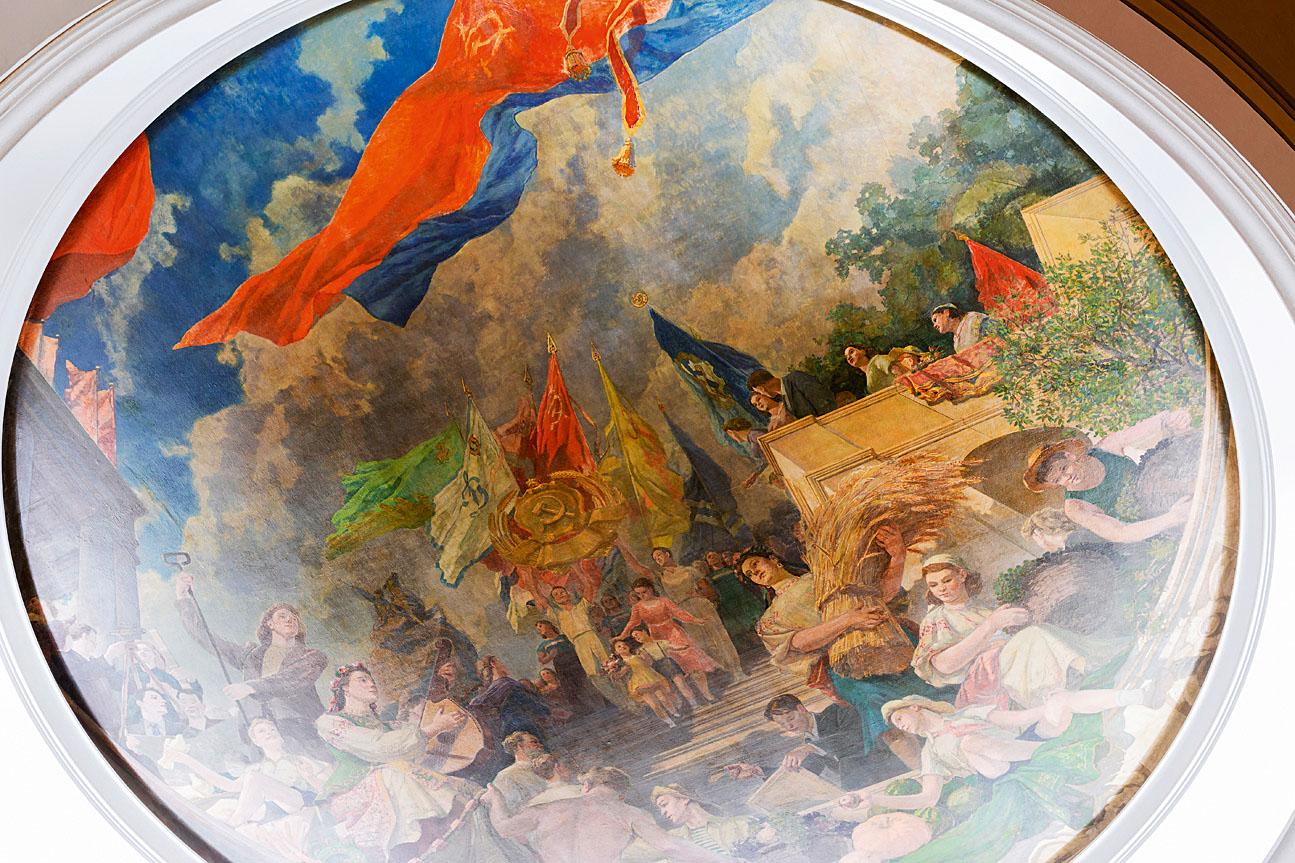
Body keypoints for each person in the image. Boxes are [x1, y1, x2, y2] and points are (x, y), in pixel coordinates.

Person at [740, 533, 955, 769]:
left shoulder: (826, 575)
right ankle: (926, 772)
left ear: (773, 559)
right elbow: (799, 643)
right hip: (844, 665)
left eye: (755, 564)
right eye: (750, 574)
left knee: (931, 690)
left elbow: (880, 594)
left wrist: (897, 555)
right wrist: (848, 620)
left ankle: (960, 751)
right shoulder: (770, 620)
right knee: (878, 711)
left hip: (887, 641)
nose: (755, 572)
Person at [315, 662, 525, 863]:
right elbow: (378, 748)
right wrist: (434, 728)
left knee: (416, 777)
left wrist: (440, 723)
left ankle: (449, 834)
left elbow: (415, 744)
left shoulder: (390, 726)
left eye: (371, 680)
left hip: (398, 780)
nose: (371, 684)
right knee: (394, 773)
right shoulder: (331, 722)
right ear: (345, 689)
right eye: (362, 680)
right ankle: (427, 843)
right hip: (355, 791)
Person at [174, 574, 328, 756]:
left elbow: (291, 679)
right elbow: (207, 639)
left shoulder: (312, 656)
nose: (290, 620)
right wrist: (183, 598)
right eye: (283, 616)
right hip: (258, 738)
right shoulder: (251, 656)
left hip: (302, 735)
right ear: (270, 623)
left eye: (294, 618)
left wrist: (250, 687)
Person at [481, 766, 734, 863]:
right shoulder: (628, 812)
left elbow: (504, 828)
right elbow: (670, 846)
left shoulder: (546, 810)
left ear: (586, 786)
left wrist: (495, 798)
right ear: (622, 794)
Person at [1022, 427, 1192, 544]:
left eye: (1064, 468)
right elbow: (1120, 533)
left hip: (1168, 487)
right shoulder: (1074, 506)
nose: (1067, 477)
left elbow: (1146, 427)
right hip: (1155, 526)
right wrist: (1173, 518)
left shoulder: (1104, 449)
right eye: (1058, 479)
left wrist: (1170, 420)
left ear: (1069, 456)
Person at [629, 547, 744, 680]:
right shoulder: (661, 577)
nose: (657, 559)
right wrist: (621, 545)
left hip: (701, 605)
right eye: (655, 559)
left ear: (667, 554)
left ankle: (737, 670)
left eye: (659, 555)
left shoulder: (689, 570)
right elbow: (639, 568)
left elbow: (709, 591)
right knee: (703, 643)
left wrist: (700, 594)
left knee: (720, 637)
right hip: (684, 611)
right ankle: (725, 670)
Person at [618, 578, 719, 702]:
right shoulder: (637, 607)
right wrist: (622, 636)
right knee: (673, 672)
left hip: (674, 634)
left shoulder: (663, 601)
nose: (642, 596)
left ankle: (707, 694)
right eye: (638, 594)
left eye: (644, 592)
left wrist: (695, 620)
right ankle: (691, 700)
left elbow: (679, 613)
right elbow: (633, 622)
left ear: (651, 588)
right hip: (656, 637)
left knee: (692, 664)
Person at [652, 784, 776, 856]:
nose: (663, 812)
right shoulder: (673, 839)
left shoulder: (740, 823)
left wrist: (762, 840)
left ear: (684, 799)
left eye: (664, 804)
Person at [471, 656, 552, 744]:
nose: (504, 665)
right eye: (500, 662)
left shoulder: (493, 688)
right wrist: (548, 710)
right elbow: (533, 705)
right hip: (523, 727)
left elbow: (475, 705)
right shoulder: (509, 684)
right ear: (493, 664)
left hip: (506, 730)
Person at [534, 619, 608, 712]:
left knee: (588, 682)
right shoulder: (543, 645)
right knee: (570, 688)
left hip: (575, 662)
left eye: (540, 626)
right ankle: (583, 710)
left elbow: (577, 645)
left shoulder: (564, 637)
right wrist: (550, 656)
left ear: (548, 625)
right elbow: (542, 660)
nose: (539, 629)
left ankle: (605, 703)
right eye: (537, 629)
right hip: (562, 666)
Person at [606, 639, 681, 727]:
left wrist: (645, 656)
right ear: (616, 652)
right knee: (654, 705)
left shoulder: (637, 655)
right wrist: (613, 671)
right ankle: (669, 722)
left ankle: (674, 713)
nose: (623, 646)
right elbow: (620, 675)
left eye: (624, 644)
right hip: (639, 684)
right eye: (619, 647)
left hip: (652, 678)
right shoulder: (621, 663)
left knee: (663, 698)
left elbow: (649, 663)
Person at [701, 550, 765, 645]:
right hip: (727, 601)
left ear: (720, 556)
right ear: (708, 562)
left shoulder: (731, 568)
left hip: (743, 596)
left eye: (714, 555)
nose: (713, 558)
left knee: (754, 616)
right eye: (709, 557)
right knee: (740, 622)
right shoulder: (710, 577)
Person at [629, 626, 697, 708]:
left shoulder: (660, 642)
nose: (636, 638)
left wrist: (684, 646)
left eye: (637, 634)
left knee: (681, 684)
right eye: (634, 637)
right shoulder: (641, 650)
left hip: (669, 664)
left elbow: (673, 647)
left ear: (644, 631)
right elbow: (646, 663)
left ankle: (694, 704)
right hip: (657, 669)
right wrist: (643, 657)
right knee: (670, 689)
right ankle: (681, 707)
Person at [747, 368, 836, 420]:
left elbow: (823, 401)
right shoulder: (783, 397)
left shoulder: (796, 378)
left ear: (762, 387)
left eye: (759, 392)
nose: (762, 394)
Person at [492, 731, 550, 810]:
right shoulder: (506, 776)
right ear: (519, 746)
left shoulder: (547, 768)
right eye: (534, 742)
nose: (540, 745)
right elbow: (513, 808)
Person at [1019, 507, 1101, 552]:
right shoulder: (1074, 539)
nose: (1038, 544)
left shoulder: (1074, 543)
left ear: (1039, 534)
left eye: (1036, 541)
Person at [929, 303, 999, 353]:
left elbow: (998, 333)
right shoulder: (956, 340)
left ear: (946, 312)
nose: (934, 325)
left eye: (935, 320)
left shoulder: (973, 319)